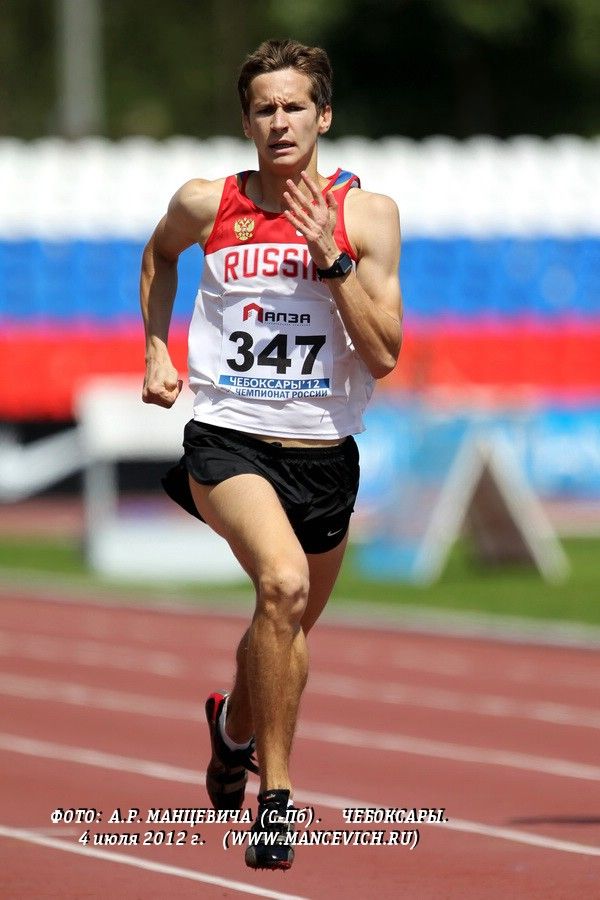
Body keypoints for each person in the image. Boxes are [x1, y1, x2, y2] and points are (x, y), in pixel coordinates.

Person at [140, 38, 402, 871]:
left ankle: (231, 731)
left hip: (324, 453)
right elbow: (158, 255)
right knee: (281, 585)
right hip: (228, 438)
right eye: (264, 109)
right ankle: (277, 802)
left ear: (324, 116)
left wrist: (332, 259)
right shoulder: (205, 203)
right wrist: (156, 347)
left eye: (294, 106)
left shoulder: (367, 215)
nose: (280, 121)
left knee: (281, 634)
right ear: (247, 121)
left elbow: (385, 354)